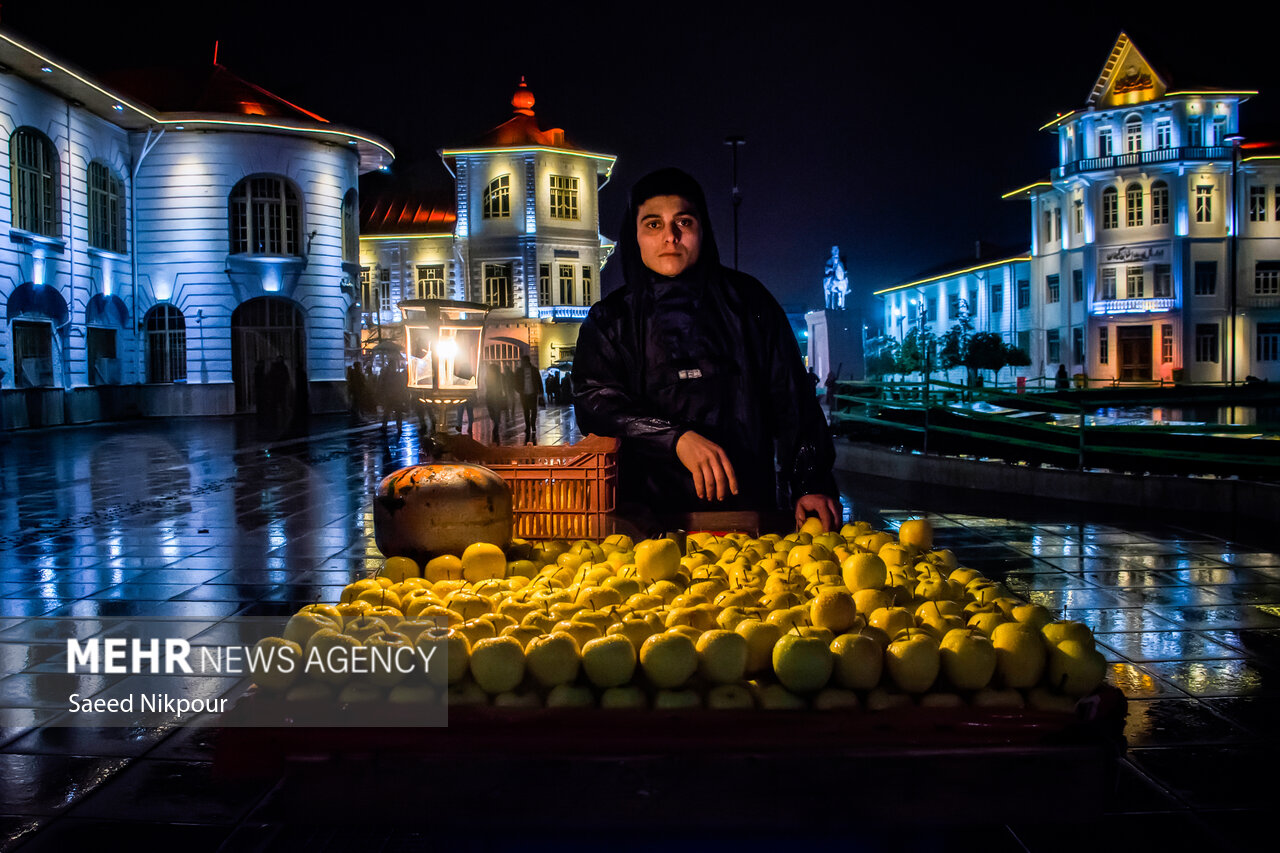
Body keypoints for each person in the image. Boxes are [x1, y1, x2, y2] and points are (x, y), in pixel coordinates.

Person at [573, 167, 840, 530]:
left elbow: (792, 398)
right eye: (653, 224)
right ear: (634, 235)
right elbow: (595, 402)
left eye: (683, 221)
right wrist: (675, 439)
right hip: (645, 519)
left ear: (702, 229)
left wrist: (811, 483)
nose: (670, 236)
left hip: (746, 512)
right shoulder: (611, 318)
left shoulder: (748, 302)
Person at [515, 355, 544, 444]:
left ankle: (533, 425)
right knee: (526, 411)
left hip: (533, 393)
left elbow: (539, 380)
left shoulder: (534, 370)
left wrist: (540, 392)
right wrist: (519, 390)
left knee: (533, 410)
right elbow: (515, 382)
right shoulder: (519, 371)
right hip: (524, 394)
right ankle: (528, 426)